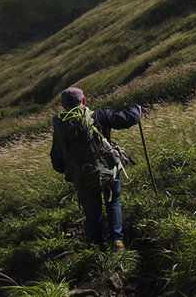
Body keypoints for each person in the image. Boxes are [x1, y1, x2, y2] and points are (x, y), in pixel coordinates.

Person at [50, 86, 141, 249]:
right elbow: (130, 118)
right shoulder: (99, 116)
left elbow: (57, 162)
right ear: (83, 101)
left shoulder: (60, 129)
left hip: (83, 177)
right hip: (108, 172)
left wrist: (73, 169)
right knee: (113, 201)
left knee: (92, 212)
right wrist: (135, 107)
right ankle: (117, 240)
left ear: (63, 106)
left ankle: (99, 244)